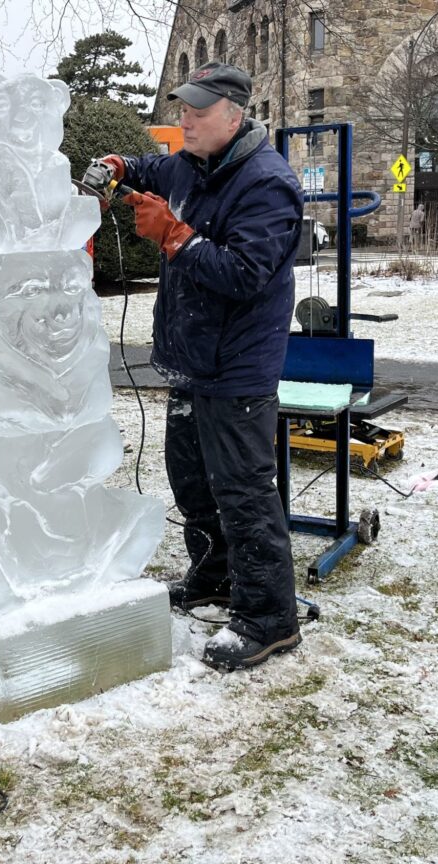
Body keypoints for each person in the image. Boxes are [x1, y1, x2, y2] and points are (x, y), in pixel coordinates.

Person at [88, 62, 304, 671]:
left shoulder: (267, 184)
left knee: (242, 491)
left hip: (238, 366)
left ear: (234, 116)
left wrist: (175, 236)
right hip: (189, 357)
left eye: (198, 111)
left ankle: (269, 618)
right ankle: (214, 577)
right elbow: (151, 168)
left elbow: (244, 274)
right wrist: (119, 166)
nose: (185, 120)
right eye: (182, 108)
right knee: (191, 480)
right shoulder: (191, 162)